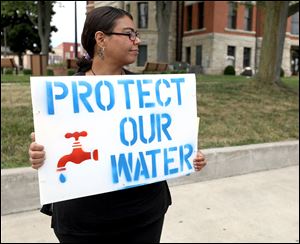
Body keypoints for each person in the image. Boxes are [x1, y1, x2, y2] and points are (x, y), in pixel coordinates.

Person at [28, 6, 207, 243]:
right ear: (101, 38)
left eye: (137, 34)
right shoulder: (63, 97)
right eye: (129, 34)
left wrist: (188, 154)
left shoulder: (150, 93)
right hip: (86, 221)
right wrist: (41, 155)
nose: (137, 40)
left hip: (144, 214)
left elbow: (164, 138)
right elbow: (57, 151)